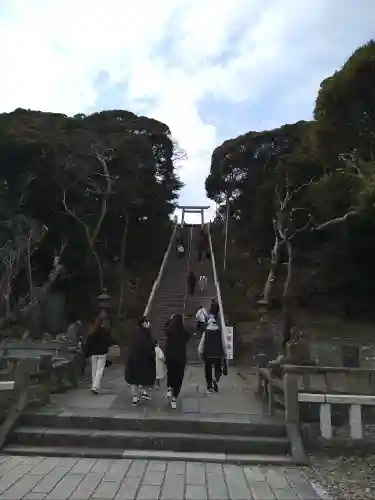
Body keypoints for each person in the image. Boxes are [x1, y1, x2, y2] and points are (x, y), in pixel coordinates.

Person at [125, 316, 156, 405]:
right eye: (147, 322)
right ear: (143, 323)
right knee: (146, 377)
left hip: (133, 358)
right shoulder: (146, 333)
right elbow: (147, 347)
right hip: (143, 359)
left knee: (134, 379)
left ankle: (135, 397)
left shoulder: (135, 332)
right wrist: (152, 355)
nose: (148, 324)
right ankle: (144, 392)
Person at [164, 313, 191, 409]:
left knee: (170, 373)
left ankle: (169, 388)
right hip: (180, 358)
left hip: (170, 357)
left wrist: (170, 319)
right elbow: (189, 334)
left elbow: (165, 326)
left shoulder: (169, 332)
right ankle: (174, 398)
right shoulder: (183, 333)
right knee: (178, 377)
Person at [83, 314, 112, 394]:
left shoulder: (92, 332)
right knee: (99, 370)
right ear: (102, 323)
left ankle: (94, 386)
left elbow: (88, 343)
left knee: (94, 369)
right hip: (102, 352)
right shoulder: (105, 331)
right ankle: (96, 386)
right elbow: (109, 341)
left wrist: (86, 353)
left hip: (93, 352)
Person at [198, 316, 225, 393]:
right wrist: (225, 353)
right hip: (218, 354)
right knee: (218, 369)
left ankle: (209, 386)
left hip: (207, 354)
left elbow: (201, 344)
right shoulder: (219, 331)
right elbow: (223, 343)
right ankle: (215, 379)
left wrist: (200, 353)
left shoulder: (206, 332)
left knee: (208, 371)